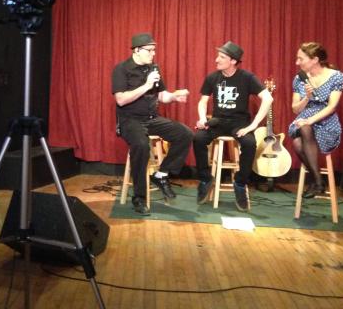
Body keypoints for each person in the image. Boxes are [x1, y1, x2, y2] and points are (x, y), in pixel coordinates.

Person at [112, 33, 194, 215]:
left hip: (151, 118)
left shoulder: (153, 69)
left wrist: (174, 97)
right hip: (129, 120)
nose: (153, 54)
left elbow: (161, 95)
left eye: (154, 50)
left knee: (185, 133)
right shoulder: (121, 69)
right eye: (150, 50)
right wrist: (146, 86)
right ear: (137, 50)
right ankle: (139, 198)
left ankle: (162, 174)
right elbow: (121, 100)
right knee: (141, 145)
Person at [193, 41, 273, 212]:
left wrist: (253, 125)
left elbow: (268, 99)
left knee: (250, 144)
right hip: (218, 121)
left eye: (222, 57)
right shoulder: (212, 78)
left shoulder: (247, 78)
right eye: (218, 56)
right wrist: (202, 119)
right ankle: (206, 178)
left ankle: (240, 183)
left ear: (233, 61)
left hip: (239, 123)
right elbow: (203, 101)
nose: (216, 60)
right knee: (198, 138)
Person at [288, 42, 343, 198]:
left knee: (298, 141)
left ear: (314, 60)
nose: (297, 62)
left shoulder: (336, 76)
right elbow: (295, 109)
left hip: (326, 121)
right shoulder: (299, 79)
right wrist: (307, 97)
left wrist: (310, 120)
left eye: (301, 59)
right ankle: (318, 180)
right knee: (302, 132)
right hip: (304, 118)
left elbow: (331, 106)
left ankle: (316, 181)